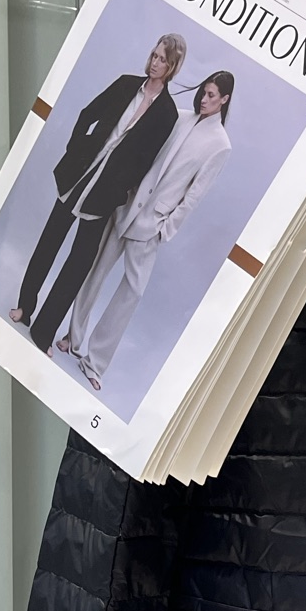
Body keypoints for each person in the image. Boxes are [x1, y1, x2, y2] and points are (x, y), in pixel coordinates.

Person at [59, 70, 235, 392]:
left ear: (224, 99)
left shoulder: (220, 145)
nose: (204, 99)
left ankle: (95, 362)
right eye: (204, 92)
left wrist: (165, 229)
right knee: (96, 270)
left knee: (133, 291)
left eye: (212, 95)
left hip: (153, 222)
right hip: (127, 205)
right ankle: (73, 336)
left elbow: (194, 195)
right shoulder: (181, 117)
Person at [9, 33, 184, 352]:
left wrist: (120, 189)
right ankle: (25, 307)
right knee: (49, 243)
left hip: (106, 192)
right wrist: (76, 149)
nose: (155, 63)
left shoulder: (167, 113)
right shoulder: (126, 83)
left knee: (78, 264)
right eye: (154, 55)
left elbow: (145, 161)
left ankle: (44, 332)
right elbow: (88, 113)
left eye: (163, 60)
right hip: (79, 175)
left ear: (172, 67)